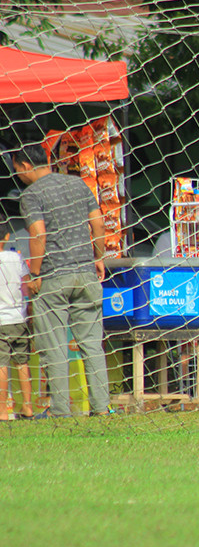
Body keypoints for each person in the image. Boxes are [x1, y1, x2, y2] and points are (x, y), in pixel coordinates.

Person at [12, 143, 110, 418]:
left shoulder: (32, 195)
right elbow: (98, 223)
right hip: (86, 273)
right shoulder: (78, 184)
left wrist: (35, 273)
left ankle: (60, 410)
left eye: (17, 170)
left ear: (26, 166)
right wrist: (98, 256)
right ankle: (102, 408)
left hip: (53, 276)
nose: (18, 176)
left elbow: (38, 234)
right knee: (92, 344)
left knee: (54, 346)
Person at [0, 220, 33, 421]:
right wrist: (28, 309)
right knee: (22, 363)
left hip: (1, 320)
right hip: (18, 318)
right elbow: (26, 285)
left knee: (2, 365)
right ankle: (28, 407)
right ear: (7, 237)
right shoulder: (16, 257)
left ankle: (2, 410)